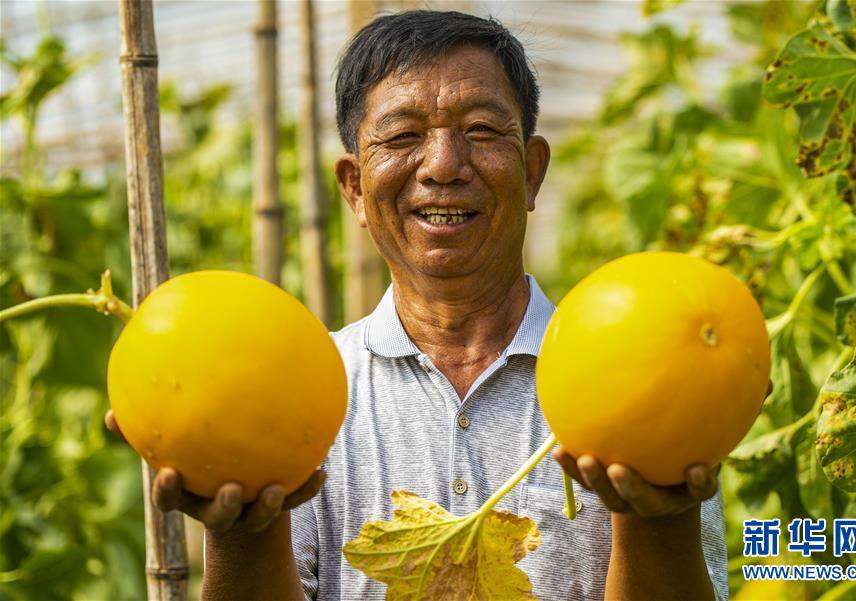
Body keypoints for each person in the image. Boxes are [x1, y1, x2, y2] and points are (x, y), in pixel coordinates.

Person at [108, 10, 733, 600]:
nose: (443, 165)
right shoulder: (299, 390)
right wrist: (240, 532)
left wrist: (661, 520)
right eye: (404, 136)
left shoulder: (642, 371)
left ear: (533, 171)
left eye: (482, 131)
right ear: (354, 187)